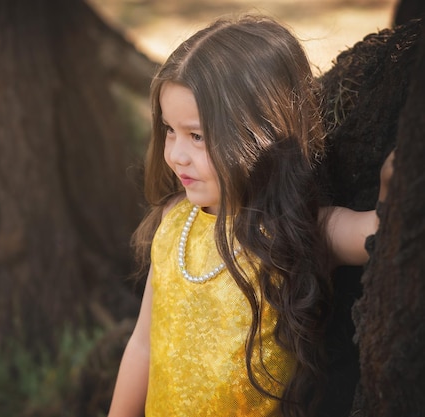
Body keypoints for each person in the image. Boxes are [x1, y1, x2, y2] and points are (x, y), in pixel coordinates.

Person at [107, 15, 394, 417]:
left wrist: (393, 181)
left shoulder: (303, 231)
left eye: (197, 136)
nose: (175, 155)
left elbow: (379, 233)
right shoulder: (174, 222)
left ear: (260, 134)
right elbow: (143, 342)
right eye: (169, 129)